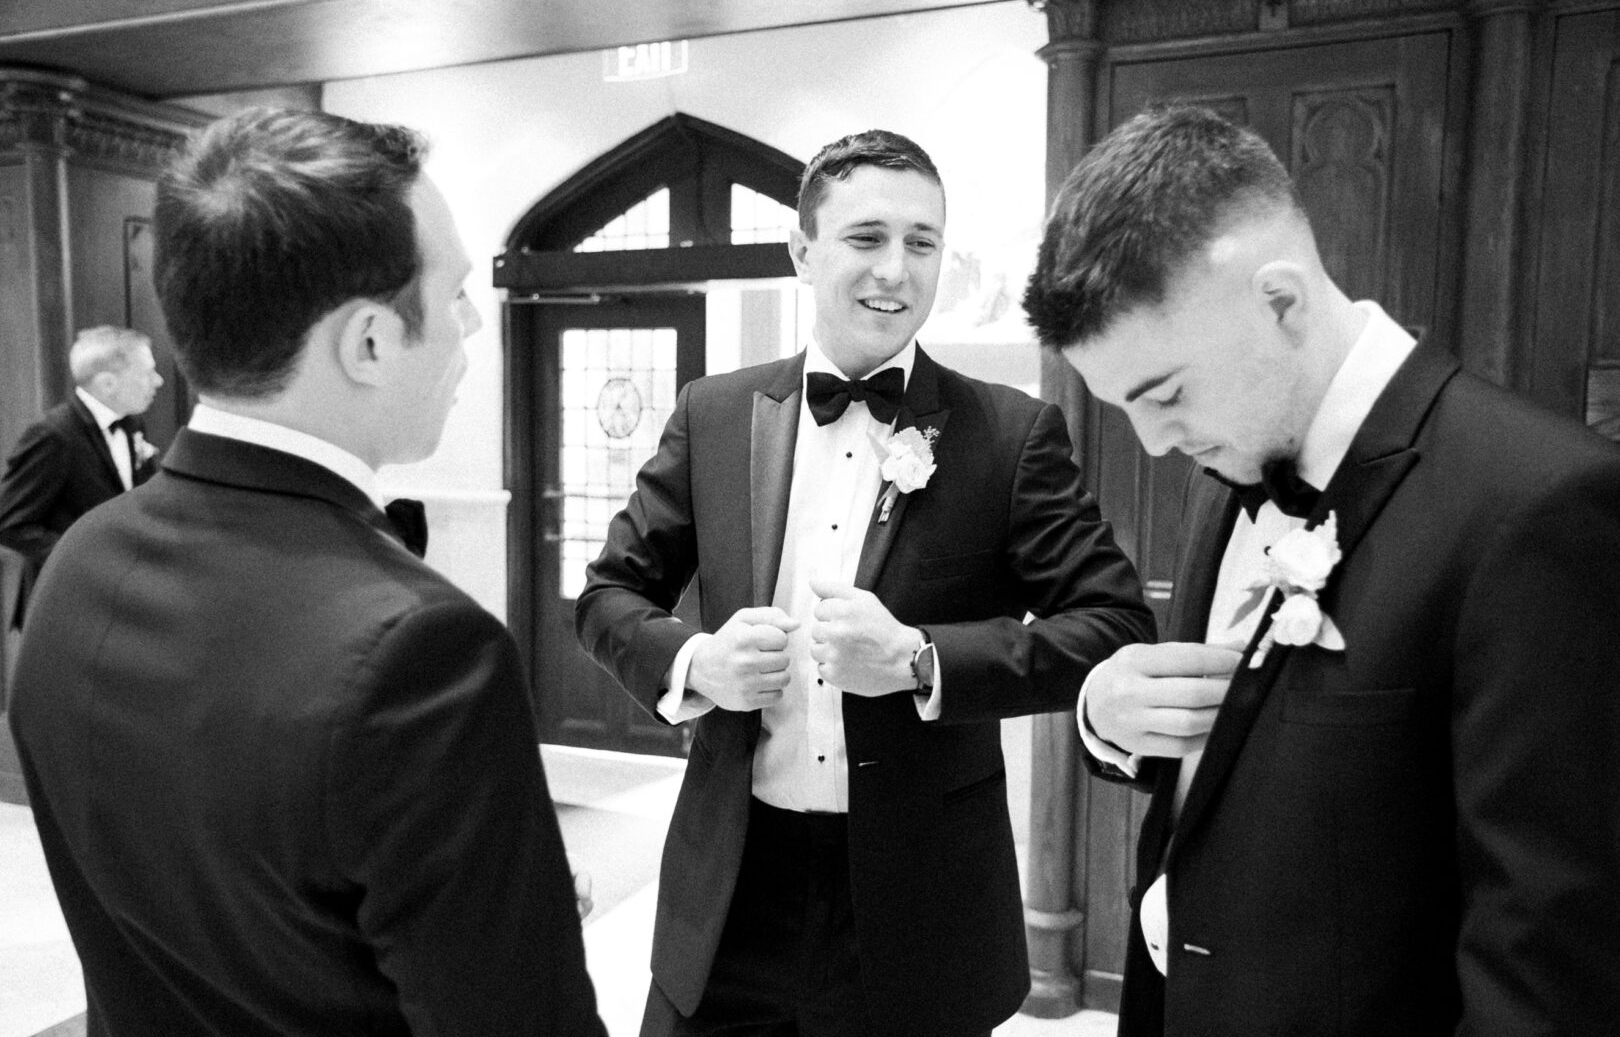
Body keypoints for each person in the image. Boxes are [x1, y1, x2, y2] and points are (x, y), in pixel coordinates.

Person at [1024, 104, 1620, 1036]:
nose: (1151, 443)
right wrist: (1111, 718)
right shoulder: (1230, 458)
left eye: (1165, 393)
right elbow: (1265, 765)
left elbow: (1545, 954)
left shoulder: (1540, 507)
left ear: (1281, 300)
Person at [8, 107, 604, 1037]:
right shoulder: (423, 650)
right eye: (452, 295)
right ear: (368, 341)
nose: (474, 324)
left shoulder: (82, 559)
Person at [576, 129, 1154, 1037]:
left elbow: (1116, 626)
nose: (896, 268)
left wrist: (925, 661)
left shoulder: (1009, 436)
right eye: (866, 238)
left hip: (920, 901)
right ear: (803, 252)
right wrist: (695, 663)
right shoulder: (715, 412)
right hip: (731, 890)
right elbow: (607, 595)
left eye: (921, 243)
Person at [0, 325, 163, 629]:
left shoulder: (133, 423)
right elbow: (9, 523)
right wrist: (86, 557)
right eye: (147, 373)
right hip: (64, 605)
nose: (158, 381)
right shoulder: (53, 436)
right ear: (107, 383)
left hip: (117, 601)